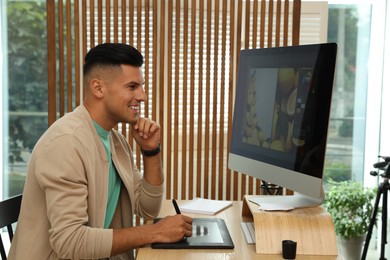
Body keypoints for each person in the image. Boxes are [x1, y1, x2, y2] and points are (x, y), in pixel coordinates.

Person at [9, 43, 193, 260]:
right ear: (98, 88)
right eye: (132, 86)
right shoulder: (66, 143)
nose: (142, 96)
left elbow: (147, 208)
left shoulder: (115, 140)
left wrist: (151, 151)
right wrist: (155, 232)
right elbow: (70, 242)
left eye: (141, 87)